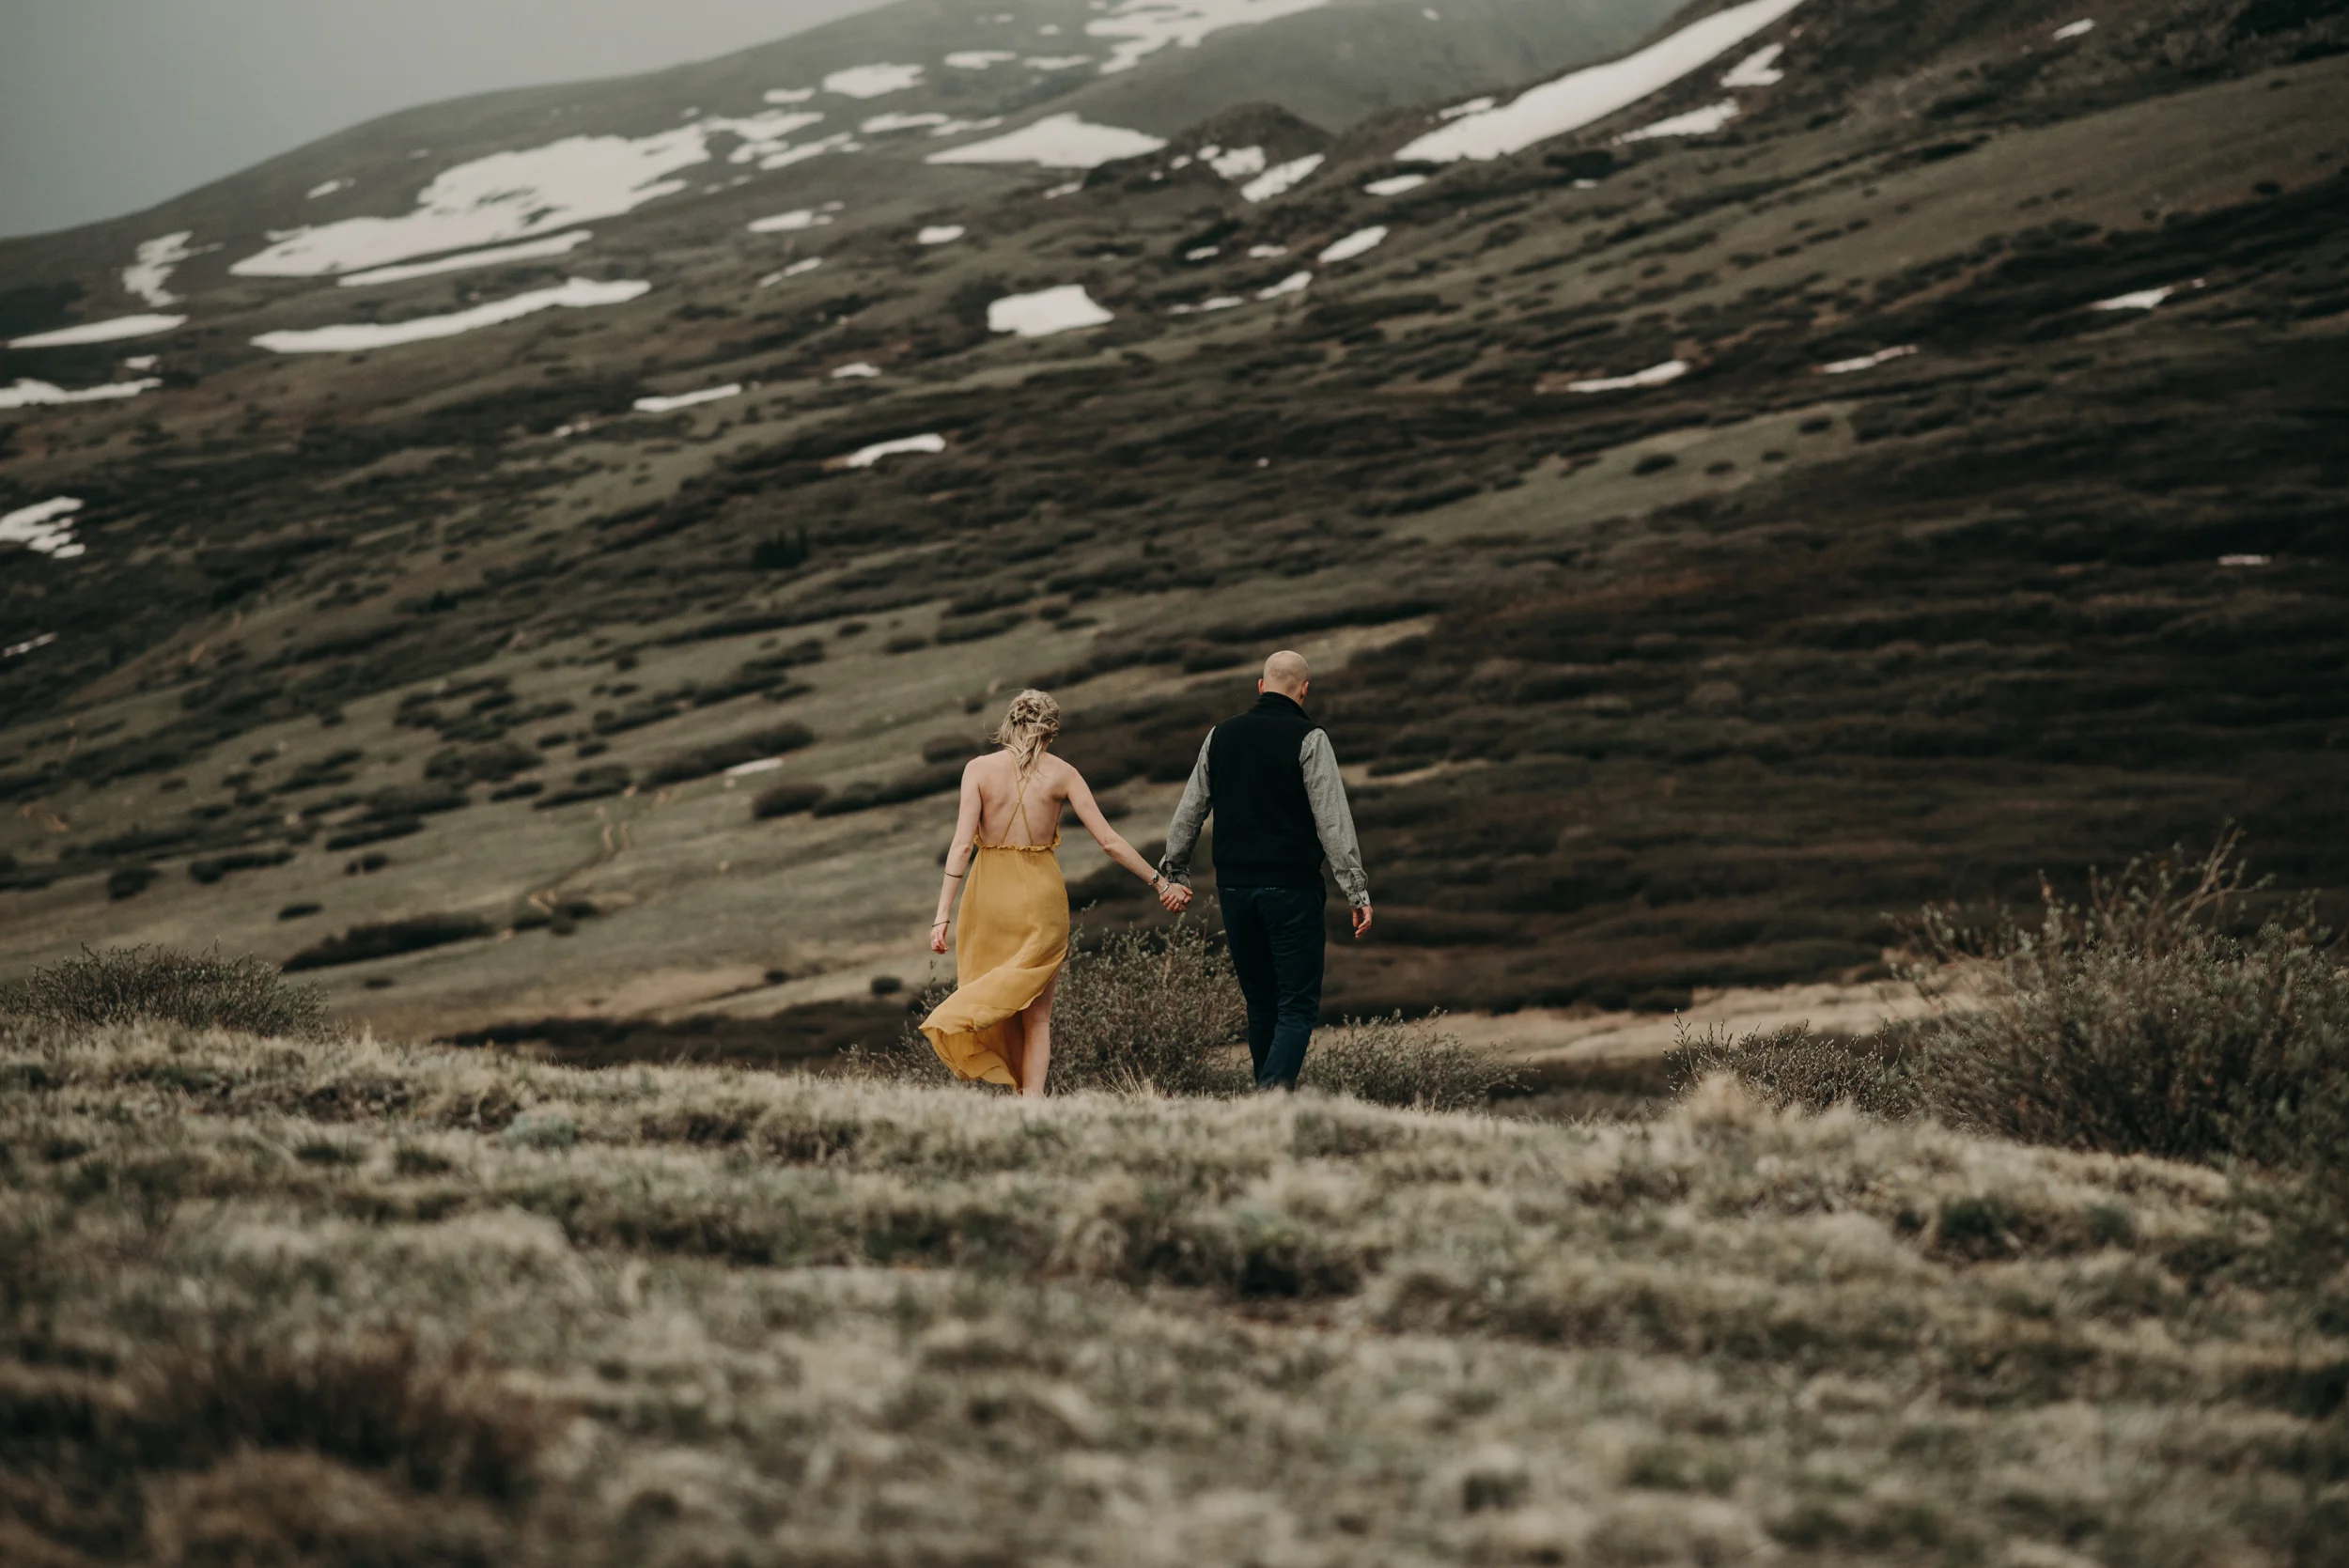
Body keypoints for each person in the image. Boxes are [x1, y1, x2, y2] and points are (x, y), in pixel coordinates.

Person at [921, 689, 1184, 1099]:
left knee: (993, 995)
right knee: (1037, 1018)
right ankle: (1033, 1104)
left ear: (1011, 722)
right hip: (1041, 902)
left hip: (987, 898)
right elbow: (1110, 842)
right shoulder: (1064, 773)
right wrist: (1160, 882)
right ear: (1052, 731)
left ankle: (999, 1079)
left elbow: (961, 846)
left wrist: (941, 915)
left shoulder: (977, 769)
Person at [1159, 650, 1373, 1092]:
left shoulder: (1221, 736)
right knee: (1296, 1006)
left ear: (1261, 685)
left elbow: (1189, 810)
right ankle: (1271, 1097)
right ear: (1304, 690)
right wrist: (1356, 891)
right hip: (1293, 891)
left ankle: (1265, 1105)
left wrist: (1174, 871)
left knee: (1261, 1005)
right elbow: (1333, 822)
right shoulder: (1310, 738)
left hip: (1235, 891)